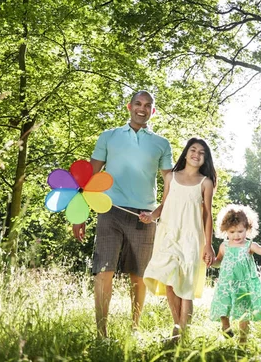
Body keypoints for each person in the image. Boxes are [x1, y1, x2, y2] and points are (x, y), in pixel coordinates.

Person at [72, 90, 173, 338]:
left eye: (148, 105)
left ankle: (134, 329)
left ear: (153, 111)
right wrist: (79, 213)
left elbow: (169, 181)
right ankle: (101, 333)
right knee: (103, 271)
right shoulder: (109, 137)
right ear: (129, 107)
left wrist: (160, 211)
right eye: (138, 103)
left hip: (144, 215)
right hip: (110, 210)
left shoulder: (161, 144)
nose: (142, 108)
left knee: (138, 275)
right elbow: (89, 176)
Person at [140, 138, 216, 343]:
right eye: (193, 150)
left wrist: (208, 244)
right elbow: (163, 204)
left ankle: (182, 335)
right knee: (169, 281)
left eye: (202, 153)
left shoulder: (205, 182)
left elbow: (207, 215)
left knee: (186, 286)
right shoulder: (171, 178)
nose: (196, 154)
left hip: (192, 238)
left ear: (205, 159)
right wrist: (151, 216)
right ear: (185, 153)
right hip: (168, 235)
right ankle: (177, 330)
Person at [210, 204, 261, 344]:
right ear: (225, 231)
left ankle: (243, 339)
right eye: (232, 232)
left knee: (243, 313)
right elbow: (218, 262)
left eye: (240, 231)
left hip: (243, 286)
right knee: (223, 306)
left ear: (248, 228)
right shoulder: (224, 246)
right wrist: (211, 262)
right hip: (226, 284)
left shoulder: (248, 245)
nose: (236, 235)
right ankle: (226, 326)